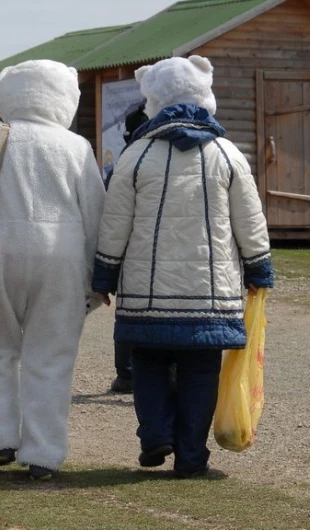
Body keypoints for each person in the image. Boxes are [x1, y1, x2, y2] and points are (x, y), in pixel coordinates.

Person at [92, 56, 274, 478]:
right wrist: (259, 270)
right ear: (204, 94)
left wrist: (103, 277)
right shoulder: (227, 154)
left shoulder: (135, 155)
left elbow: (113, 224)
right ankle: (192, 460)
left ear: (152, 98)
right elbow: (250, 220)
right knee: (200, 370)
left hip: (145, 292)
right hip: (211, 292)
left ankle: (155, 436)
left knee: (149, 363)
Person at [0, 59, 105, 481]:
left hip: (0, 255)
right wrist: (97, 276)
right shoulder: (76, 146)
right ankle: (44, 455)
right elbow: (96, 215)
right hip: (62, 258)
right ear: (63, 97)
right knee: (51, 357)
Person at [109, 103, 149, 395]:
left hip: (132, 248)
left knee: (128, 311)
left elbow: (112, 210)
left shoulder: (128, 157)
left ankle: (127, 375)